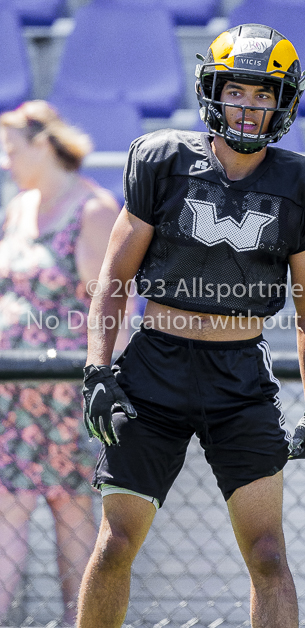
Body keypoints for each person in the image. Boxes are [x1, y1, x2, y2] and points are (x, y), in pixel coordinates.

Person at [78, 23, 305, 628]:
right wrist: (97, 369)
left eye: (264, 95)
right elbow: (113, 281)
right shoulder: (164, 162)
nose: (249, 108)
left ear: (285, 102)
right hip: (154, 368)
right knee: (116, 543)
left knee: (268, 553)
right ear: (213, 93)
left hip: (239, 377)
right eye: (238, 92)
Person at [0, 100, 122, 626]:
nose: (6, 161)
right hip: (12, 394)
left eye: (12, 148)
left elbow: (115, 302)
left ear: (43, 144)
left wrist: (105, 383)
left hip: (66, 393)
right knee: (8, 508)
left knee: (71, 512)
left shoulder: (91, 210)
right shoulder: (18, 206)